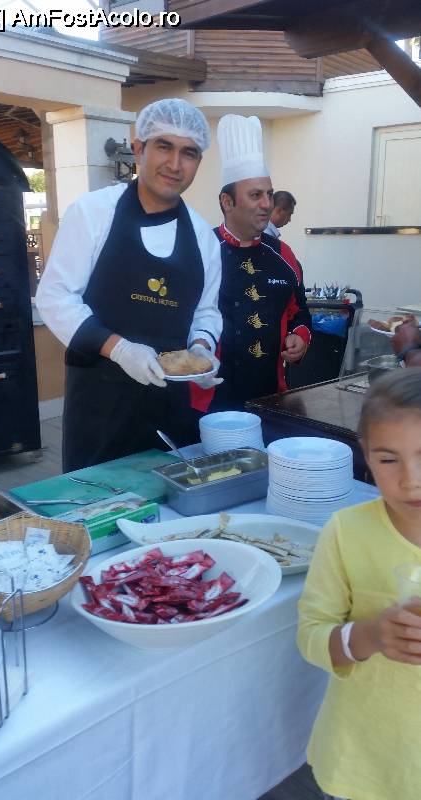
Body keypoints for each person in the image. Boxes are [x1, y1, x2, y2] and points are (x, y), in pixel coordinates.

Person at [36, 98, 223, 471]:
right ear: (139, 149)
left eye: (188, 153)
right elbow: (55, 297)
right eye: (164, 147)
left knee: (169, 499)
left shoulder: (204, 237)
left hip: (170, 412)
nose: (175, 164)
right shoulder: (93, 213)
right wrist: (121, 350)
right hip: (99, 408)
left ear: (198, 163)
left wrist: (200, 350)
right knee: (96, 500)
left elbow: (206, 311)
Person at [298, 367, 421, 800]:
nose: (411, 479)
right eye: (388, 459)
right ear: (365, 454)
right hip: (364, 762)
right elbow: (311, 636)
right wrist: (371, 635)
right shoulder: (346, 532)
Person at [191, 115, 311, 413]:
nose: (267, 204)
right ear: (227, 202)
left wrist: (300, 337)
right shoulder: (200, 250)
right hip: (208, 402)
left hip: (270, 397)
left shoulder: (283, 254)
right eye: (255, 195)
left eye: (269, 195)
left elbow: (300, 312)